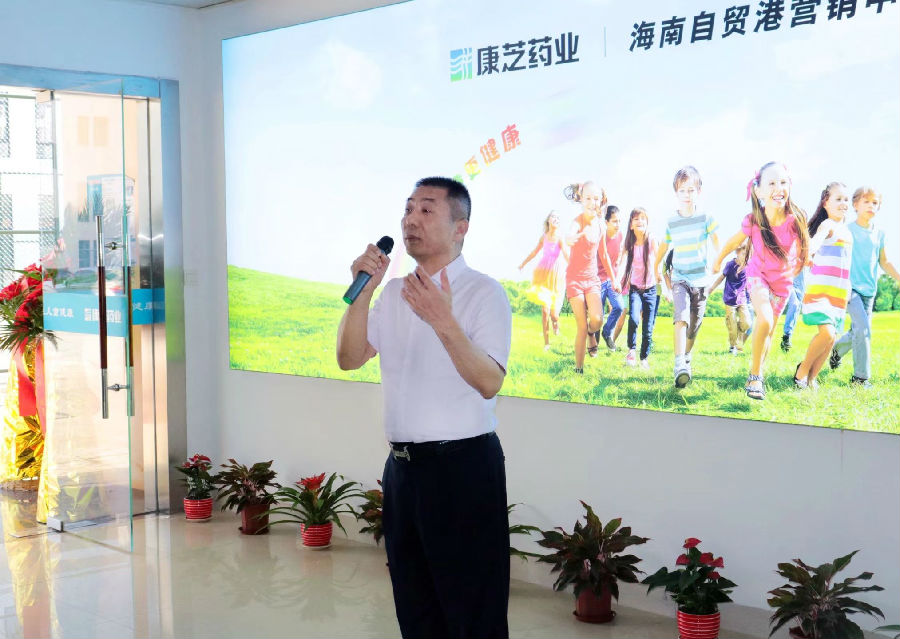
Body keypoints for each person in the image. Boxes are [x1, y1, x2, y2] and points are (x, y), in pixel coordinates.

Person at [336, 177, 512, 638]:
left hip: (463, 470)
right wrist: (364, 293)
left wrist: (443, 320)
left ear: (460, 227)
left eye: (427, 210)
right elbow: (349, 358)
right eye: (408, 208)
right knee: (415, 607)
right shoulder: (394, 292)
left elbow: (489, 382)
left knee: (473, 612)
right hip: (403, 472)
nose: (411, 219)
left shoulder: (484, 292)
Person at [714, 162, 809, 400]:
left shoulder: (795, 219)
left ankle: (757, 372)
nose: (779, 188)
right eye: (772, 183)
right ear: (759, 191)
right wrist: (718, 260)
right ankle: (755, 377)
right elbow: (734, 242)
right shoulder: (754, 220)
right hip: (758, 276)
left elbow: (804, 249)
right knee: (764, 319)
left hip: (782, 285)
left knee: (768, 332)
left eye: (783, 182)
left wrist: (798, 267)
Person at [655, 166, 720, 388]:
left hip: (701, 281)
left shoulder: (706, 218)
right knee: (681, 317)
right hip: (680, 278)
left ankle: (686, 356)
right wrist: (656, 266)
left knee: (694, 327)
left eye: (691, 190)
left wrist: (718, 261)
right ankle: (679, 365)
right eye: (682, 190)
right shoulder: (671, 222)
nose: (686, 195)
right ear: (676, 193)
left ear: (698, 192)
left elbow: (717, 241)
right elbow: (663, 247)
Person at [830, 186, 900, 387]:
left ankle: (836, 351)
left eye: (875, 202)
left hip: (869, 291)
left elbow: (884, 261)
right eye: (866, 201)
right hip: (850, 288)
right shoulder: (847, 230)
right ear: (855, 205)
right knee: (863, 329)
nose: (871, 206)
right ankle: (860, 378)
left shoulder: (879, 234)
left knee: (858, 331)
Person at [794, 182, 852, 389]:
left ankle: (812, 377)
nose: (843, 203)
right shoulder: (828, 225)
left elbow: (846, 265)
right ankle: (801, 372)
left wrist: (848, 290)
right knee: (826, 333)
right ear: (826, 203)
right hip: (820, 291)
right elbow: (816, 241)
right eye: (838, 199)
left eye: (846, 199)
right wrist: (808, 253)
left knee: (831, 338)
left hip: (839, 294)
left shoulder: (847, 232)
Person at [564, 181, 616, 373]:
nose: (592, 202)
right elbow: (569, 235)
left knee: (596, 319)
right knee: (581, 326)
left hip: (592, 280)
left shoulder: (601, 226)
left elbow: (604, 255)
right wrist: (571, 238)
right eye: (588, 198)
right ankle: (579, 369)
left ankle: (592, 333)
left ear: (601, 201)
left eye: (596, 199)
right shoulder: (577, 222)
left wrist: (614, 279)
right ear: (581, 199)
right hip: (574, 280)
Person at [519, 211, 568, 350]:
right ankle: (546, 343)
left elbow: (566, 254)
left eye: (558, 217)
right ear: (548, 221)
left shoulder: (560, 238)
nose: (556, 219)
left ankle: (556, 323)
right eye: (553, 217)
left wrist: (574, 268)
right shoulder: (544, 237)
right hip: (543, 275)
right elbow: (534, 252)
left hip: (556, 276)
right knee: (545, 311)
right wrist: (523, 264)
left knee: (554, 315)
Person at [620, 208, 659, 370]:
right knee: (634, 319)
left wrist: (662, 281)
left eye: (643, 218)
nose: (640, 221)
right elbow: (622, 262)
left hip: (651, 290)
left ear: (647, 223)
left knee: (648, 328)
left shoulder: (652, 240)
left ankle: (644, 358)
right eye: (636, 219)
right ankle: (631, 351)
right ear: (631, 225)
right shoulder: (629, 244)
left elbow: (659, 260)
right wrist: (618, 280)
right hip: (635, 289)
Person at [708, 240, 752, 355]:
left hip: (742, 299)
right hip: (730, 299)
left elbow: (748, 282)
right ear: (737, 253)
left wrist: (752, 295)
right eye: (743, 254)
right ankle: (733, 347)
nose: (745, 257)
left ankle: (736, 336)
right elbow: (721, 278)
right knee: (732, 325)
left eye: (747, 255)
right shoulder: (730, 265)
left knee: (747, 323)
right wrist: (711, 288)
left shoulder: (748, 266)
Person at [594, 204, 625, 352]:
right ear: (606, 222)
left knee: (619, 307)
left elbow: (618, 256)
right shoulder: (600, 236)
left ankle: (607, 332)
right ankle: (594, 345)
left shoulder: (620, 236)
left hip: (612, 279)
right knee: (597, 315)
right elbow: (603, 257)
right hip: (598, 279)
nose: (617, 224)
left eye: (619, 221)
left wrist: (616, 277)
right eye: (614, 221)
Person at [780, 271, 805, 352]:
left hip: (801, 284)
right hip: (787, 279)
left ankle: (787, 338)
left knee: (796, 308)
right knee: (795, 304)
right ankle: (787, 336)